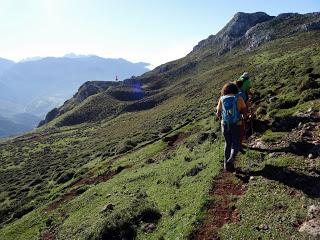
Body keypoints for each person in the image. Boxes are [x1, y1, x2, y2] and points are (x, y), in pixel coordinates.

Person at [216, 82, 247, 172]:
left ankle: (226, 165)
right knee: (235, 143)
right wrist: (244, 117)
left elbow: (218, 114)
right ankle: (231, 159)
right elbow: (244, 110)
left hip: (225, 124)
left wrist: (221, 117)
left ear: (225, 90)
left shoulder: (222, 99)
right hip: (236, 124)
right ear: (235, 89)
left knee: (227, 143)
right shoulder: (239, 98)